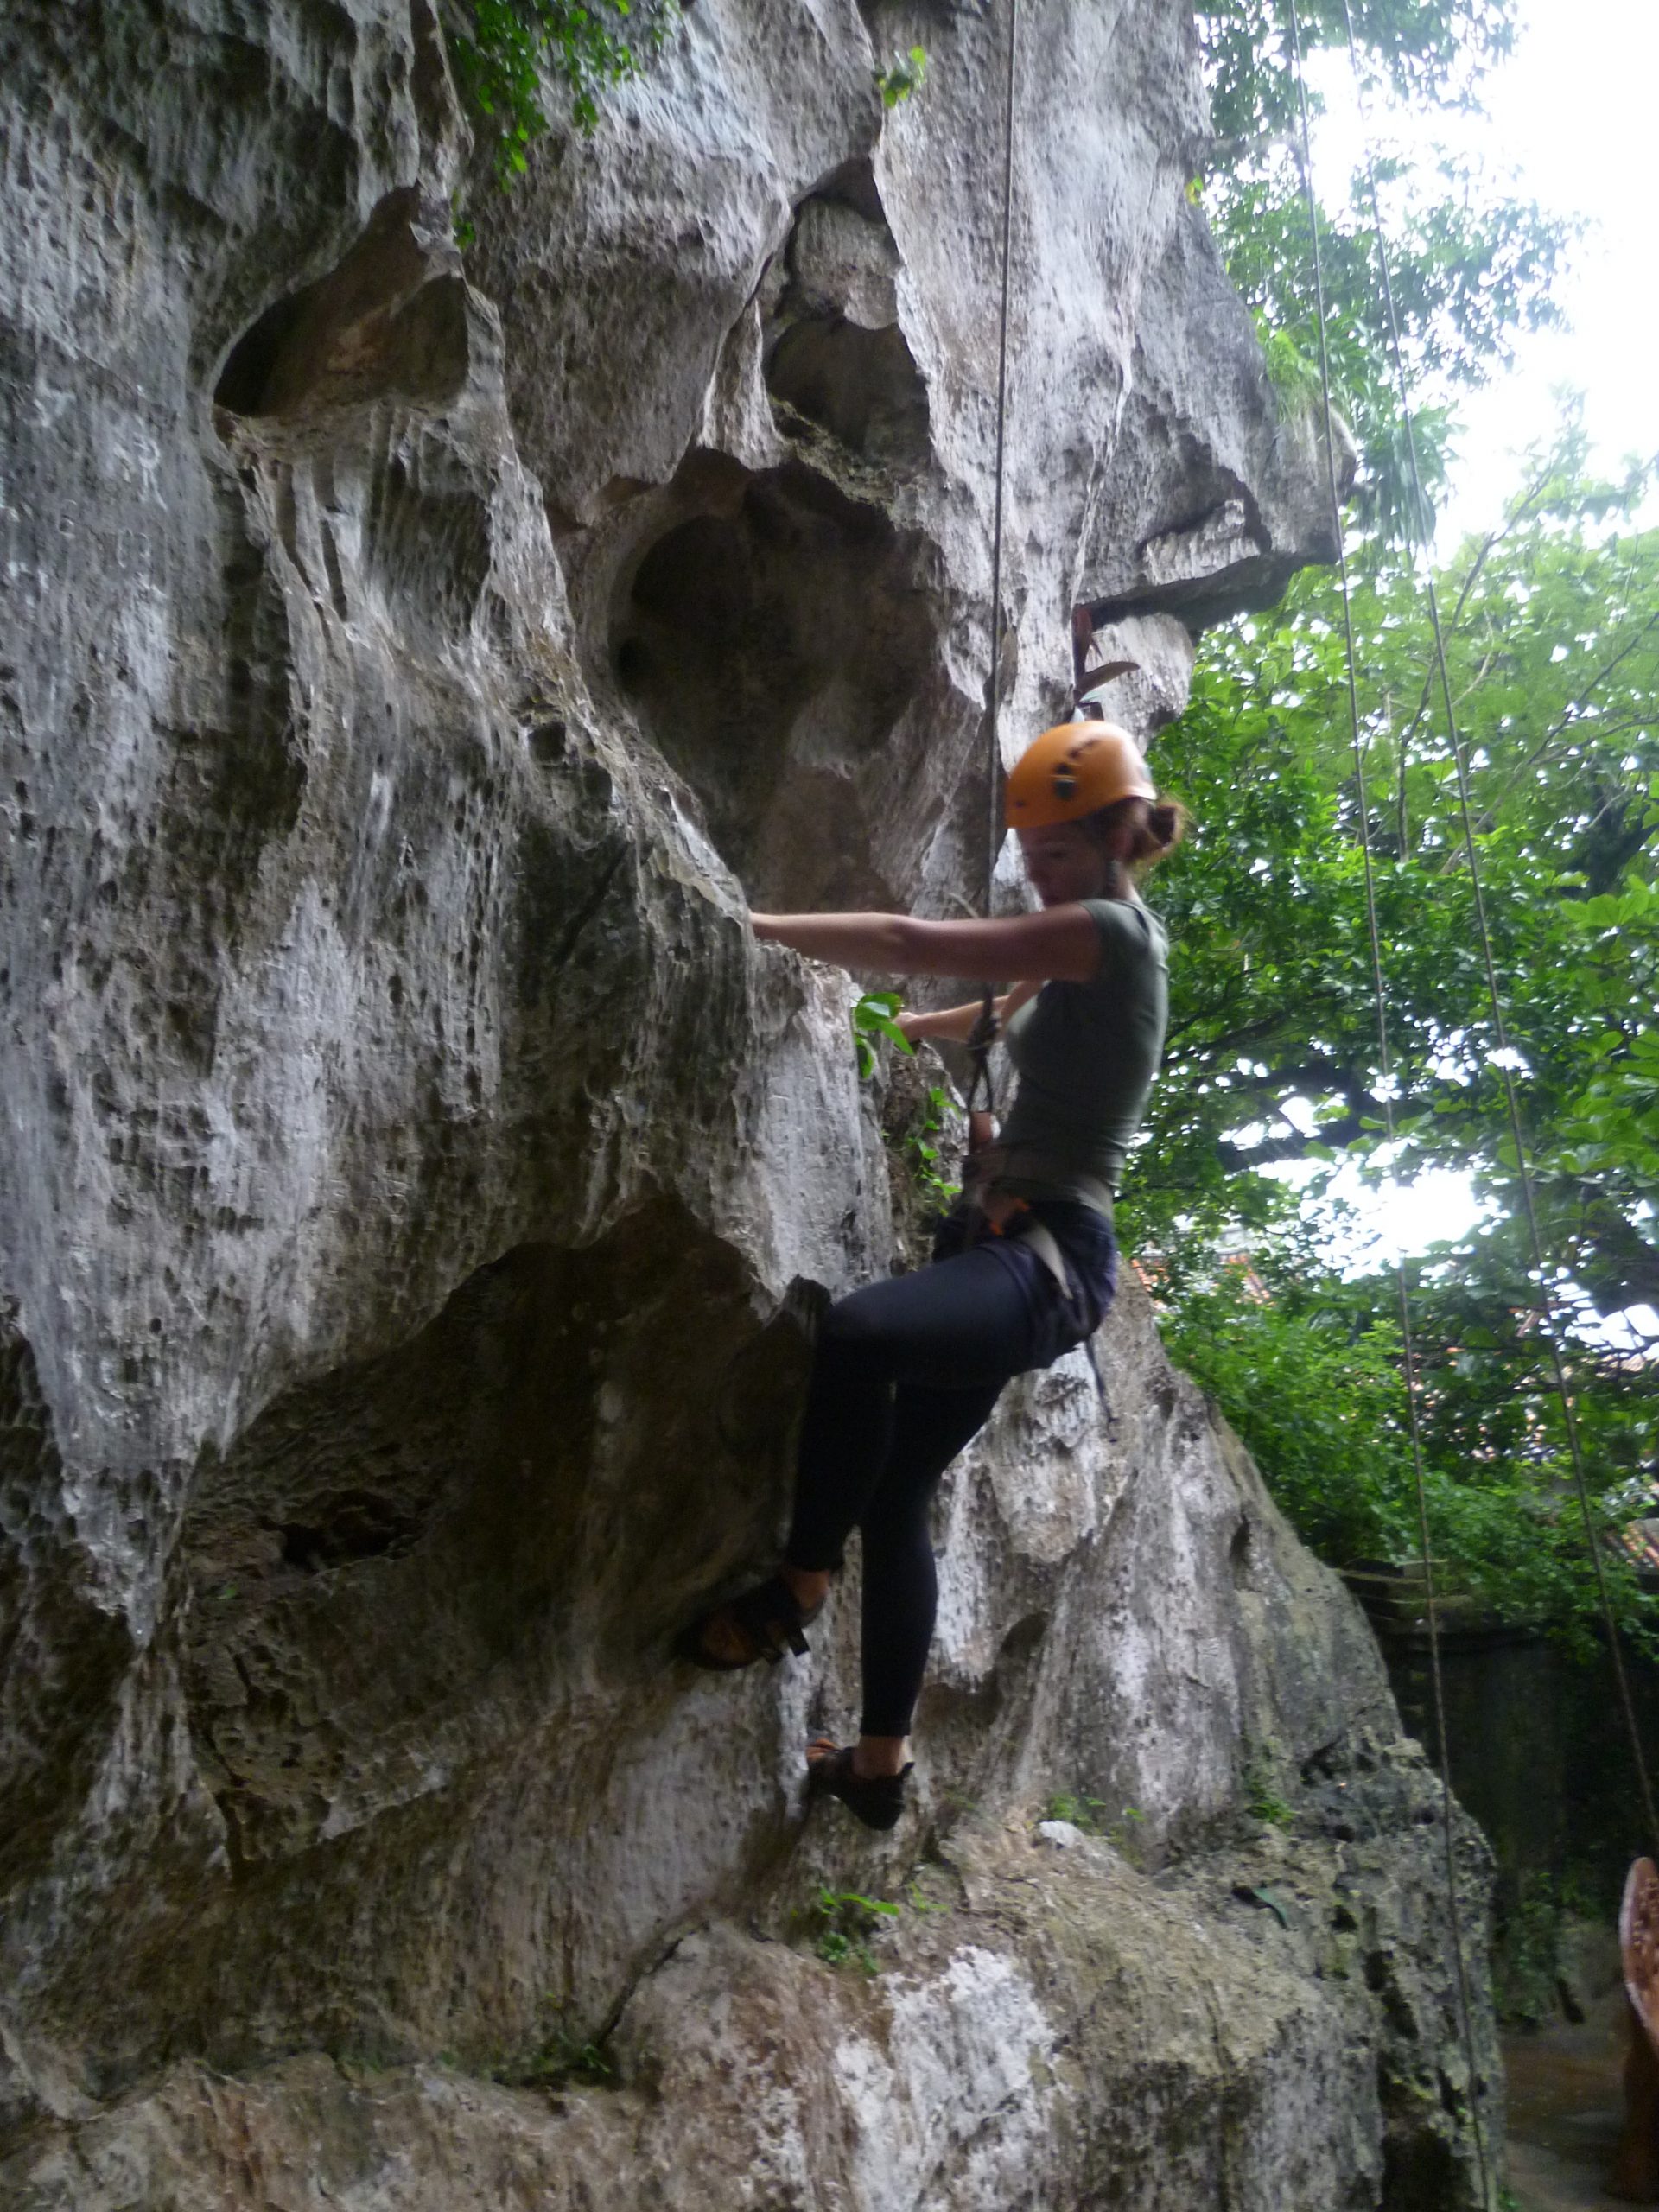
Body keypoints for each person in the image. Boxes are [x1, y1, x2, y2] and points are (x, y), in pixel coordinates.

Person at [679, 721, 1185, 1828]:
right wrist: (896, 1028)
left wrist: (743, 921)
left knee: (859, 1336)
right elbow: (972, 1015)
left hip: (1050, 1260)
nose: (1039, 874)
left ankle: (798, 1585)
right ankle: (876, 1768)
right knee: (899, 1490)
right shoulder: (1084, 963)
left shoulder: (1112, 933)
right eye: (1032, 857)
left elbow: (912, 936)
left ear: (1113, 838)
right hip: (1006, 1254)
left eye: (1055, 852)